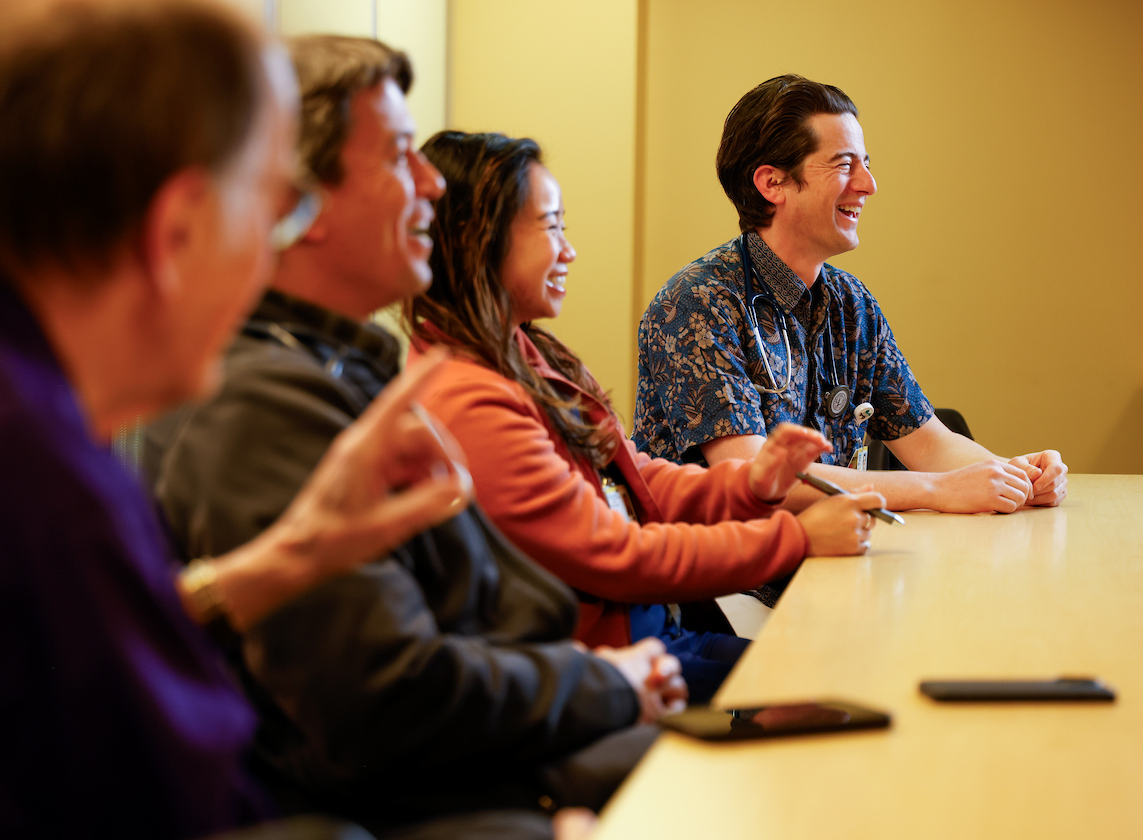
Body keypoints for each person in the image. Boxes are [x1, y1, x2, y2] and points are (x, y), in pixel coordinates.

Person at [0, 2, 474, 837]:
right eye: (278, 207)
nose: (274, 247)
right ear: (179, 229)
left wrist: (280, 562)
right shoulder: (32, 478)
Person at [144, 35, 684, 839]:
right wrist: (601, 684)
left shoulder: (338, 368)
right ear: (297, 201)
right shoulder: (260, 401)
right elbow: (382, 702)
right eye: (401, 155)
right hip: (415, 799)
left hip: (491, 738)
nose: (431, 183)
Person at [405, 130, 885, 703]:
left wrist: (752, 486)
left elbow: (637, 479)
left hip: (655, 630)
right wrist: (794, 538)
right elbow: (615, 552)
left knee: (851, 666)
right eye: (551, 226)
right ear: (477, 241)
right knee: (835, 685)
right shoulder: (467, 397)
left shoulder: (530, 354)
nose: (568, 250)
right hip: (601, 670)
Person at [633, 74, 1068, 515]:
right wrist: (934, 490)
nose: (868, 184)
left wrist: (1018, 474)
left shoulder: (850, 303)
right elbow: (753, 477)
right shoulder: (698, 303)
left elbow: (930, 444)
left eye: (865, 162)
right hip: (723, 577)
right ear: (773, 183)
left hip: (825, 558)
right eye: (844, 165)